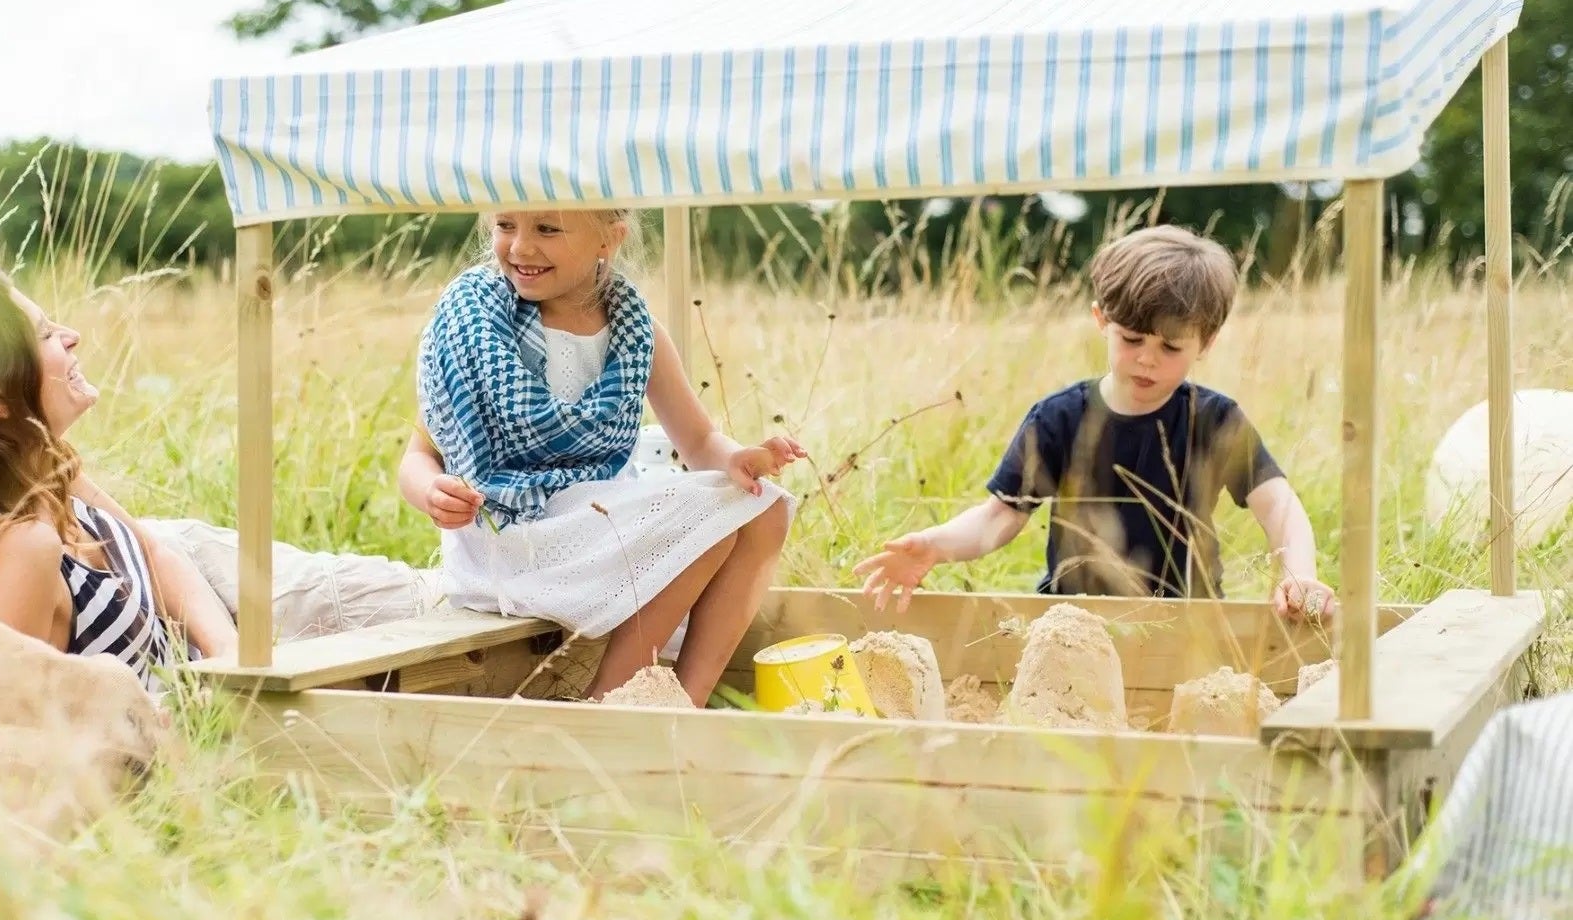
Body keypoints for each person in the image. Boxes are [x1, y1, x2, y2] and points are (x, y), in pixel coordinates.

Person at [403, 208, 803, 706]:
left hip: (587, 524)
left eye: (547, 229)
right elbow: (418, 458)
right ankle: (611, 699)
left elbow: (699, 443)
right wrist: (430, 492)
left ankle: (682, 701)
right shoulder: (477, 327)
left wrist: (738, 458)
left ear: (609, 239)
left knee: (765, 509)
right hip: (506, 534)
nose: (520, 247)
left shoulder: (636, 334)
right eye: (506, 226)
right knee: (706, 523)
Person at [854, 224, 1336, 620]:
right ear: (1101, 319)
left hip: (1188, 622)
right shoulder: (1060, 418)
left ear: (1206, 342)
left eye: (1170, 348)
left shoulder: (1214, 419)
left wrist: (1298, 571)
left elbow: (1279, 507)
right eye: (1132, 339)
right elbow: (1001, 515)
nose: (1147, 360)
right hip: (1070, 618)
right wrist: (935, 546)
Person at [0, 270, 242, 690]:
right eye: (44, 335)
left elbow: (153, 553)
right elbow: (10, 730)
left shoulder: (43, 466)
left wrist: (229, 657)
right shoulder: (16, 547)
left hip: (209, 637)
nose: (72, 335)